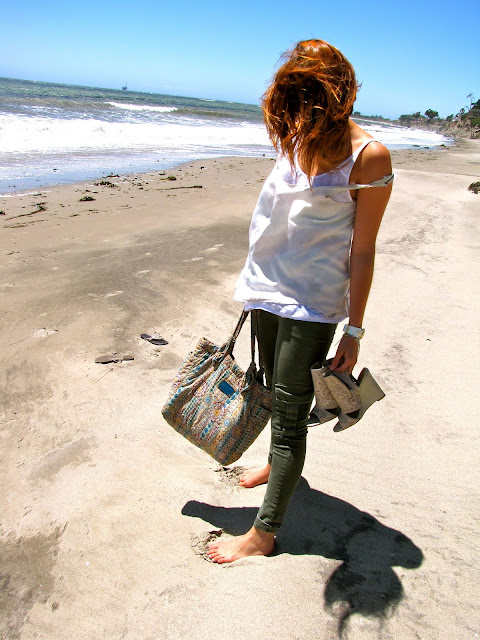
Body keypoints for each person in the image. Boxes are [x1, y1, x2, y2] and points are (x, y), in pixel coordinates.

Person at [207, 39, 393, 563]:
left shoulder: (369, 157)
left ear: (338, 94)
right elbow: (274, 218)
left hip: (311, 303)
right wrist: (253, 282)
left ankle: (263, 535)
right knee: (270, 387)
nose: (300, 112)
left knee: (290, 417)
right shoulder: (295, 134)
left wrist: (354, 331)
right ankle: (276, 465)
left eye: (310, 99)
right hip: (267, 288)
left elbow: (363, 249)